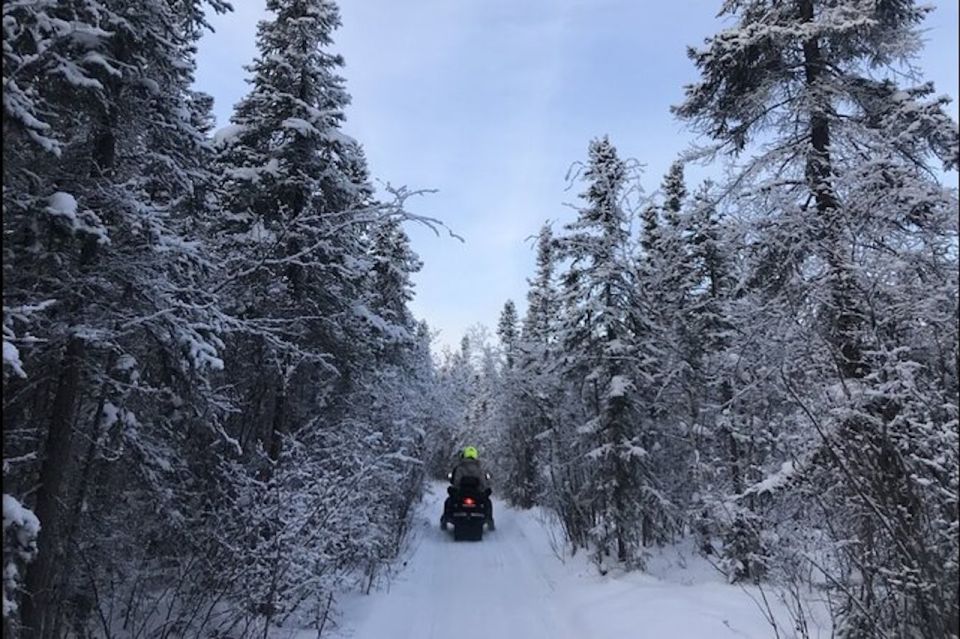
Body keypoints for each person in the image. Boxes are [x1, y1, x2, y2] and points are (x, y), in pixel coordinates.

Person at [441, 446, 494, 530]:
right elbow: (483, 483)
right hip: (477, 495)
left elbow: (456, 482)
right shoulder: (479, 469)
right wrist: (484, 491)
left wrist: (455, 489)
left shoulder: (459, 468)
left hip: (461, 494)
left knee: (449, 501)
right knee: (487, 503)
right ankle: (490, 521)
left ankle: (445, 520)